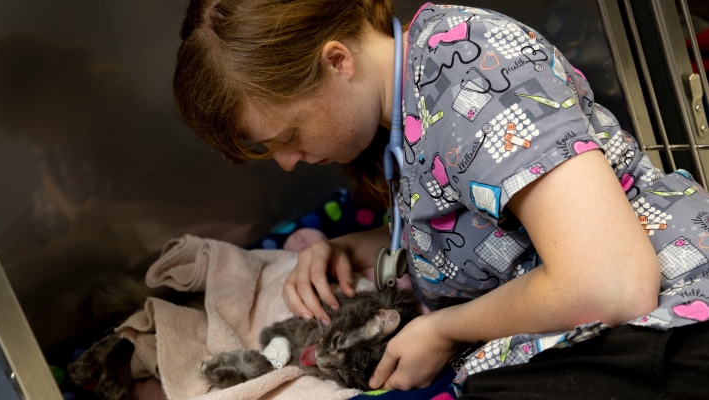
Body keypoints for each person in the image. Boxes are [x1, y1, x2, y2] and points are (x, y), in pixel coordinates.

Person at [173, 0, 709, 397]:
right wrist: (361, 246)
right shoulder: (405, 111)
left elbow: (611, 284)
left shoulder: (471, 72)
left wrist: (443, 330)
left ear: (337, 61)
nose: (288, 161)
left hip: (675, 323)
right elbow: (488, 211)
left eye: (287, 136)